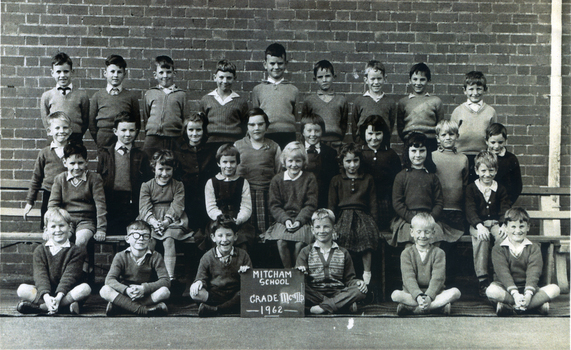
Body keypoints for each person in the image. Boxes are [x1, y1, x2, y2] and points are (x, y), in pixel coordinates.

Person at [486, 207, 560, 316]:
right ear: (506, 228)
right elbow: (503, 273)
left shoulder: (534, 248)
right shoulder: (498, 248)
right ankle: (534, 306)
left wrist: (528, 295)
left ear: (528, 227)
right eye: (513, 227)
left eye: (521, 226)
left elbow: (534, 272)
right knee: (491, 291)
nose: (517, 231)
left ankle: (513, 308)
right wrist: (515, 294)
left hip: (529, 289)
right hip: (506, 288)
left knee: (555, 289)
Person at [16, 208, 91, 315]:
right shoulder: (40, 250)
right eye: (53, 226)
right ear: (46, 230)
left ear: (69, 227)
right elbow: (40, 276)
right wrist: (46, 297)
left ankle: (42, 308)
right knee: (21, 289)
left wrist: (59, 297)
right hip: (47, 293)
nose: (58, 230)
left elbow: (69, 277)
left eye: (61, 225)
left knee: (85, 289)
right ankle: (63, 307)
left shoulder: (76, 251)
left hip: (67, 292)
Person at [296, 209, 367, 314]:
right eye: (318, 227)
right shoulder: (305, 252)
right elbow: (299, 280)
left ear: (333, 229)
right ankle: (341, 306)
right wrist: (300, 273)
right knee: (296, 287)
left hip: (338, 293)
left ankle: (319, 308)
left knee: (359, 290)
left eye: (326, 226)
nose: (322, 231)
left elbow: (349, 280)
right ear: (312, 230)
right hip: (314, 293)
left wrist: (358, 282)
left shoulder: (343, 252)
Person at [328, 143, 380, 285]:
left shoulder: (367, 178)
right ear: (342, 162)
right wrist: (331, 226)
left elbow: (373, 203)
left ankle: (367, 275)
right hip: (343, 216)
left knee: (367, 235)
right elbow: (332, 206)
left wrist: (374, 223)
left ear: (360, 161)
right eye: (348, 161)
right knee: (343, 236)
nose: (352, 165)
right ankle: (346, 277)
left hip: (363, 215)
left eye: (355, 160)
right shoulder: (336, 180)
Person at [391, 213, 461, 316]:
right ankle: (436, 308)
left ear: (433, 233)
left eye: (427, 232)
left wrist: (429, 297)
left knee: (456, 292)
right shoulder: (406, 253)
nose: (423, 236)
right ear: (412, 232)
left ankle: (414, 309)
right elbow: (408, 278)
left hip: (435, 294)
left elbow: (438, 278)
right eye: (419, 232)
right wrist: (418, 296)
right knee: (395, 295)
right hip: (412, 294)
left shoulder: (439, 253)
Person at [99, 220, 170, 316]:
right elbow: (109, 280)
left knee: (164, 292)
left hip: (146, 294)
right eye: (136, 235)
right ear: (127, 238)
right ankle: (144, 310)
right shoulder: (120, 256)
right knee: (105, 290)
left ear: (150, 240)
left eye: (145, 236)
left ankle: (122, 307)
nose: (141, 239)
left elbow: (165, 280)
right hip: (127, 294)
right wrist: (126, 290)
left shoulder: (156, 256)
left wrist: (144, 288)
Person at [97, 112, 152, 236]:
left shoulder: (141, 155)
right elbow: (99, 180)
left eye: (132, 130)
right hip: (112, 202)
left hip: (132, 203)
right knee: (114, 235)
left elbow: (147, 182)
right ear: (115, 131)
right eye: (123, 130)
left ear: (136, 131)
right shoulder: (105, 154)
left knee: (133, 236)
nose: (128, 134)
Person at [139, 150, 190, 282]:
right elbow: (144, 206)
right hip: (151, 219)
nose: (164, 173)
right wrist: (154, 222)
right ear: (153, 168)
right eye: (160, 169)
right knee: (150, 240)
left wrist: (166, 221)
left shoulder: (178, 185)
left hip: (173, 220)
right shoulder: (146, 186)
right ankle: (146, 275)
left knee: (168, 239)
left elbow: (178, 206)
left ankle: (169, 277)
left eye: (168, 169)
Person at [265, 142, 318, 268]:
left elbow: (311, 204)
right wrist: (286, 220)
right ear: (284, 161)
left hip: (303, 220)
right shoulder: (277, 180)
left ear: (304, 162)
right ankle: (288, 273)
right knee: (281, 242)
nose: (294, 165)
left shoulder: (309, 178)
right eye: (290, 161)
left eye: (298, 161)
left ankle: (298, 272)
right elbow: (274, 205)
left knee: (300, 243)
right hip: (284, 220)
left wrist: (299, 221)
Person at [465, 150, 511, 297]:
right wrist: (479, 225)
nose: (487, 174)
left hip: (496, 224)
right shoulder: (471, 188)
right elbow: (470, 209)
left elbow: (505, 208)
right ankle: (483, 280)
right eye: (483, 170)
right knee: (482, 239)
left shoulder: (500, 188)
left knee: (503, 238)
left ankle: (500, 277)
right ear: (477, 170)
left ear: (496, 170)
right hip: (477, 225)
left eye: (491, 170)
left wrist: (504, 224)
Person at [48, 143, 107, 250]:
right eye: (72, 163)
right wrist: (47, 228)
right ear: (65, 162)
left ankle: (81, 267)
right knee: (61, 240)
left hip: (86, 220)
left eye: (80, 163)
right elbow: (53, 205)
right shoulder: (60, 179)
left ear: (86, 162)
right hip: (66, 220)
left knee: (81, 241)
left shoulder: (94, 179)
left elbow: (100, 205)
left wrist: (101, 228)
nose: (76, 167)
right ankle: (64, 266)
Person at [190, 216, 252, 317]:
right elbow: (201, 277)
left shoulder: (243, 255)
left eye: (228, 235)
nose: (224, 240)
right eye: (220, 236)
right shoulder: (207, 257)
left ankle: (217, 309)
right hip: (215, 295)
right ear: (213, 237)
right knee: (195, 293)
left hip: (235, 294)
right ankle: (228, 308)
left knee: (246, 292)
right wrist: (198, 282)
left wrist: (246, 273)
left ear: (235, 236)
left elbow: (250, 282)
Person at [390, 132, 444, 247]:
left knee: (436, 234)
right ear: (407, 152)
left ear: (427, 152)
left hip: (428, 216)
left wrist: (431, 218)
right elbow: (397, 203)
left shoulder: (432, 177)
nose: (418, 155)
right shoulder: (401, 176)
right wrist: (412, 218)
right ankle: (411, 264)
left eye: (422, 151)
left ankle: (431, 264)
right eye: (414, 151)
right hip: (407, 219)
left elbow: (439, 202)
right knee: (410, 237)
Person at [234, 108, 282, 237]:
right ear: (246, 127)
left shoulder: (274, 146)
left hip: (267, 194)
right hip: (245, 196)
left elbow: (278, 172)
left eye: (260, 124)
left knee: (267, 233)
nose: (256, 128)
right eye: (252, 124)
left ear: (266, 126)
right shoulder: (238, 146)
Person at [24, 112, 71, 229]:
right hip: (49, 195)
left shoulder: (74, 151)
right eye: (57, 128)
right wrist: (30, 202)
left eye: (65, 127)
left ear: (70, 130)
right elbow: (36, 178)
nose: (61, 131)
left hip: (70, 195)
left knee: (68, 228)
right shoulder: (45, 153)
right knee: (49, 228)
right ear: (49, 131)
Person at [173, 112, 217, 237]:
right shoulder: (179, 152)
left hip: (206, 200)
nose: (194, 133)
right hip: (187, 200)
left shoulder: (210, 151)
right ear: (185, 130)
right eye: (191, 129)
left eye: (198, 129)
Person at [205, 144, 254, 251]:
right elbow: (211, 207)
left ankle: (240, 266)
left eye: (232, 162)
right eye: (225, 162)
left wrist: (239, 219)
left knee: (242, 242)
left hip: (238, 220)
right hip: (218, 220)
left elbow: (246, 206)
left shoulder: (243, 182)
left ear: (237, 163)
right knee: (219, 241)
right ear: (218, 163)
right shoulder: (211, 182)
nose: (229, 165)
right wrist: (220, 218)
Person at [451, 71, 497, 182]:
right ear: (465, 90)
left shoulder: (490, 112)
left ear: (485, 89)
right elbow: (451, 133)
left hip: (482, 158)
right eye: (471, 89)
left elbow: (494, 135)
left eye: (479, 89)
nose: (475, 93)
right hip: (461, 156)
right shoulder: (458, 111)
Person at [251, 43, 299, 149]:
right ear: (265, 64)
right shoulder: (258, 90)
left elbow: (296, 115)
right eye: (272, 63)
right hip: (266, 135)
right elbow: (256, 116)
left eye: (280, 63)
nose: (276, 67)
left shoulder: (293, 90)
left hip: (288, 136)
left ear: (285, 64)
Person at [358, 115, 402, 231]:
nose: (374, 138)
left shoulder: (391, 155)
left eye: (378, 133)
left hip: (384, 202)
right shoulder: (359, 153)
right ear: (364, 133)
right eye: (370, 134)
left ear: (384, 134)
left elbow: (396, 182)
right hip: (363, 201)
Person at [89, 54, 141, 148]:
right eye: (112, 71)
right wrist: (99, 139)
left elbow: (137, 123)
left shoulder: (131, 97)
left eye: (119, 72)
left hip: (125, 140)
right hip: (104, 140)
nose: (115, 75)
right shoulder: (97, 96)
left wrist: (128, 139)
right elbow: (92, 124)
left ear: (124, 74)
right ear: (105, 73)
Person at [432, 119, 469, 243]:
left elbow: (464, 184)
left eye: (451, 134)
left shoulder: (463, 159)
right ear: (437, 138)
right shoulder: (432, 157)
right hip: (437, 210)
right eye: (443, 135)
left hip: (456, 211)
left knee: (453, 245)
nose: (448, 138)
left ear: (457, 136)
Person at [40, 52, 89, 144]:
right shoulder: (47, 96)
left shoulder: (82, 96)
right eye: (58, 72)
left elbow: (85, 121)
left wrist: (77, 134)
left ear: (72, 72)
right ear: (52, 73)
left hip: (75, 139)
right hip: (55, 139)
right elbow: (46, 120)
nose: (62, 75)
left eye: (66, 71)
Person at [200, 59, 249, 152]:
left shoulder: (241, 101)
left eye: (229, 78)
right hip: (211, 144)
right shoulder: (206, 99)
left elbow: (245, 126)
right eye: (221, 77)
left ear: (234, 78)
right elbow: (202, 125)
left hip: (234, 144)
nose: (225, 81)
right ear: (215, 77)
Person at [142, 55, 187, 156]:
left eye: (168, 72)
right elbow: (146, 116)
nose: (165, 76)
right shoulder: (150, 93)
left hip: (174, 138)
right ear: (155, 74)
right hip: (153, 137)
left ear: (174, 73)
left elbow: (185, 119)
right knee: (147, 164)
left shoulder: (181, 94)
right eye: (161, 72)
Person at [397, 62, 444, 152]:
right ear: (410, 80)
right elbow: (400, 127)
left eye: (422, 79)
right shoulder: (403, 102)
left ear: (428, 80)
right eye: (415, 79)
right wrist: (408, 139)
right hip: (410, 141)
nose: (418, 83)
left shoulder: (436, 101)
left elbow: (440, 125)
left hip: (430, 142)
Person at [301, 60, 348, 148]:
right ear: (315, 79)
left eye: (327, 76)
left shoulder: (341, 100)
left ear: (333, 77)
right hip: (317, 142)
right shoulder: (309, 100)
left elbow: (343, 124)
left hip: (336, 143)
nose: (324, 80)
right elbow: (305, 124)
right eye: (320, 77)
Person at [351, 60, 396, 145]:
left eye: (379, 78)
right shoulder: (359, 101)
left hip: (382, 145)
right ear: (366, 79)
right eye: (372, 79)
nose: (376, 82)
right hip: (363, 146)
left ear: (385, 79)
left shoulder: (390, 102)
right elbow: (354, 126)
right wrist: (358, 142)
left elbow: (390, 125)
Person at [301, 114, 339, 208]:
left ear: (322, 132)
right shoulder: (297, 150)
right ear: (303, 132)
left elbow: (333, 179)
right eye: (309, 130)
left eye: (317, 131)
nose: (313, 134)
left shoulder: (330, 153)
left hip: (323, 199)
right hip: (301, 198)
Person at [486, 123, 522, 205]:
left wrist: (507, 203)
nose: (496, 146)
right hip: (484, 206)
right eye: (493, 142)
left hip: (503, 204)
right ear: (486, 141)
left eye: (500, 142)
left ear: (506, 141)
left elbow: (517, 186)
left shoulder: (511, 159)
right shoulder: (482, 158)